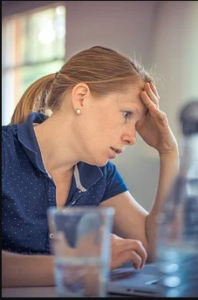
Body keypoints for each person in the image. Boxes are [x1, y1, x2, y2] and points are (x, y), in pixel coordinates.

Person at [2, 46, 179, 287]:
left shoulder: (99, 174)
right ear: (81, 97)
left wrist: (168, 152)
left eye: (136, 124)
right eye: (126, 114)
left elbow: (155, 249)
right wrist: (83, 263)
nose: (132, 137)